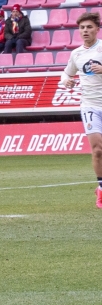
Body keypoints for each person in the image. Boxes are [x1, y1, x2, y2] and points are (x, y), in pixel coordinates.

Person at [60, 12, 102, 208]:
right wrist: (66, 81)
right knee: (98, 150)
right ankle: (101, 189)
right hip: (90, 106)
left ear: (97, 29)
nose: (85, 30)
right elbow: (66, 74)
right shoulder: (76, 54)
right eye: (82, 28)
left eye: (89, 27)